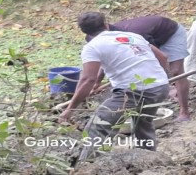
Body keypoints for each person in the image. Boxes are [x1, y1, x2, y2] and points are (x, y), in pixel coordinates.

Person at [62, 12, 170, 163]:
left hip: (134, 91)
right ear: (106, 24)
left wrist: (70, 108)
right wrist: (161, 79)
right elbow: (163, 57)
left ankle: (88, 166)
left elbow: (87, 80)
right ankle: (149, 162)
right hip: (161, 87)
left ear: (84, 32)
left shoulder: (92, 47)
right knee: (143, 124)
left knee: (98, 126)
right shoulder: (133, 36)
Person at [85, 15, 191, 121]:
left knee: (176, 71)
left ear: (106, 26)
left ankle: (184, 112)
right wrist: (97, 82)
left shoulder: (132, 36)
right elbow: (106, 59)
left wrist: (163, 80)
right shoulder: (93, 39)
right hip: (152, 35)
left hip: (170, 33)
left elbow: (159, 58)